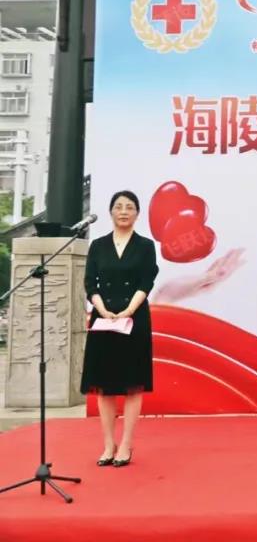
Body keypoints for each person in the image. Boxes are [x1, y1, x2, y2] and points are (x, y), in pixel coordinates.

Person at [80, 190, 159, 467]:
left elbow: (146, 281)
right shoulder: (98, 245)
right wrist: (102, 309)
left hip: (134, 319)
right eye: (118, 207)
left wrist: (128, 311)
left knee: (132, 383)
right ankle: (108, 444)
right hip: (103, 319)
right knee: (105, 385)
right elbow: (90, 282)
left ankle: (125, 443)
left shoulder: (146, 246)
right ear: (111, 211)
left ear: (137, 213)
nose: (124, 211)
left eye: (129, 207)